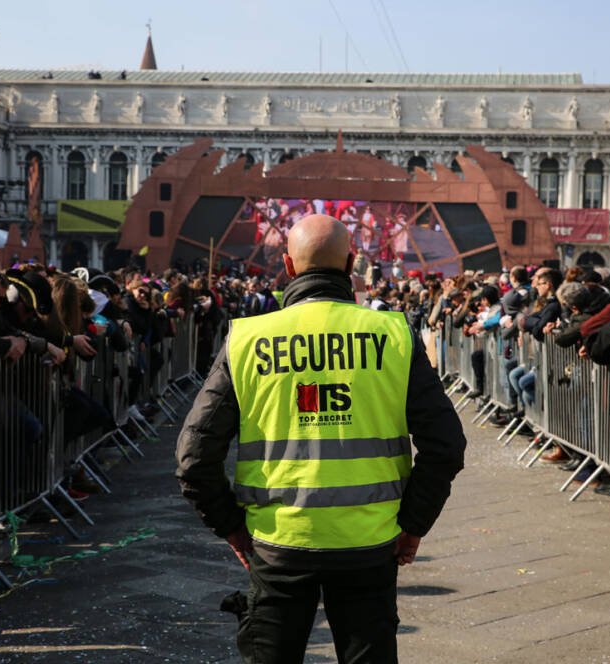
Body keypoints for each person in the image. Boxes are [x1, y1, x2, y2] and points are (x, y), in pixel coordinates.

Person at [175, 214, 466, 663]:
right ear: (351, 264)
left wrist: (233, 528)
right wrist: (413, 524)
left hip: (277, 542)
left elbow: (194, 457)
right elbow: (446, 444)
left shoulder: (248, 339)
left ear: (288, 267)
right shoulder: (394, 336)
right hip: (370, 541)